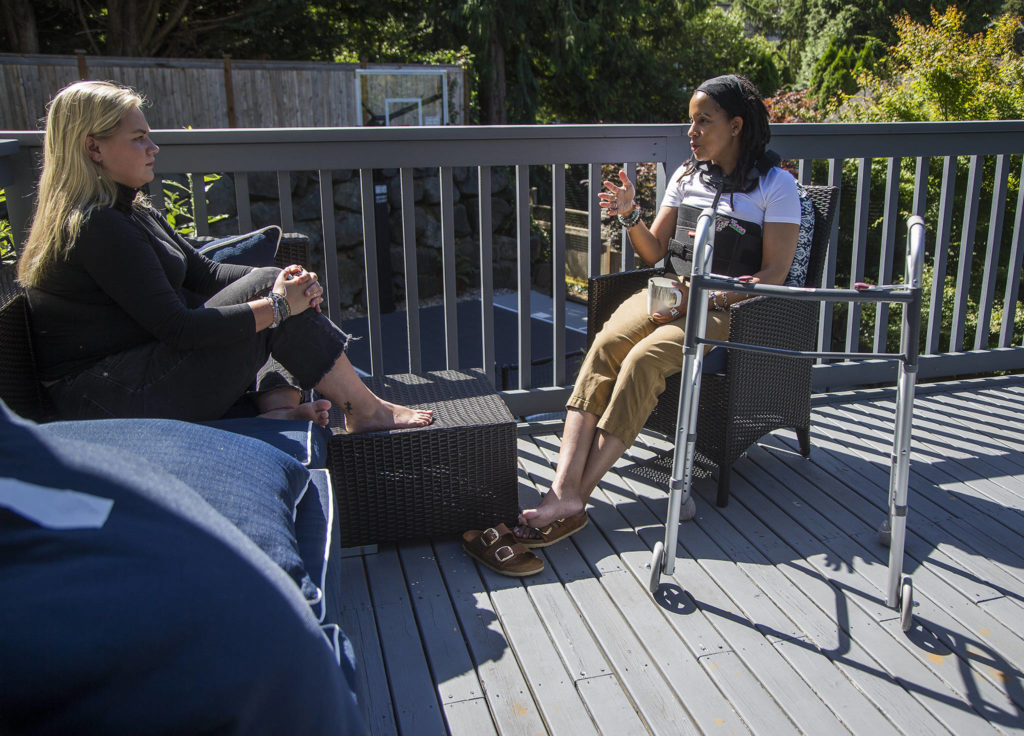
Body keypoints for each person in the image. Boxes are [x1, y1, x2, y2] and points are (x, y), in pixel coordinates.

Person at [17, 80, 432, 432]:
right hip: (102, 400)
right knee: (270, 297)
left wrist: (285, 281)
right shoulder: (96, 226)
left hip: (130, 376)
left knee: (270, 284)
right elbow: (180, 329)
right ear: (93, 149)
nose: (153, 147)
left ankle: (276, 408)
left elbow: (205, 272)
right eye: (138, 137)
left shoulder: (132, 211)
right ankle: (365, 410)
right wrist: (278, 303)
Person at [515, 74, 801, 545]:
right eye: (690, 121)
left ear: (736, 125)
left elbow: (774, 274)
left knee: (644, 362)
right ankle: (561, 488)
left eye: (703, 121)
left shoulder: (775, 185)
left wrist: (708, 296)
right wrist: (631, 214)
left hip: (724, 309)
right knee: (606, 346)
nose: (691, 132)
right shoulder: (688, 175)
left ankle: (574, 498)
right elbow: (654, 254)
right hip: (670, 289)